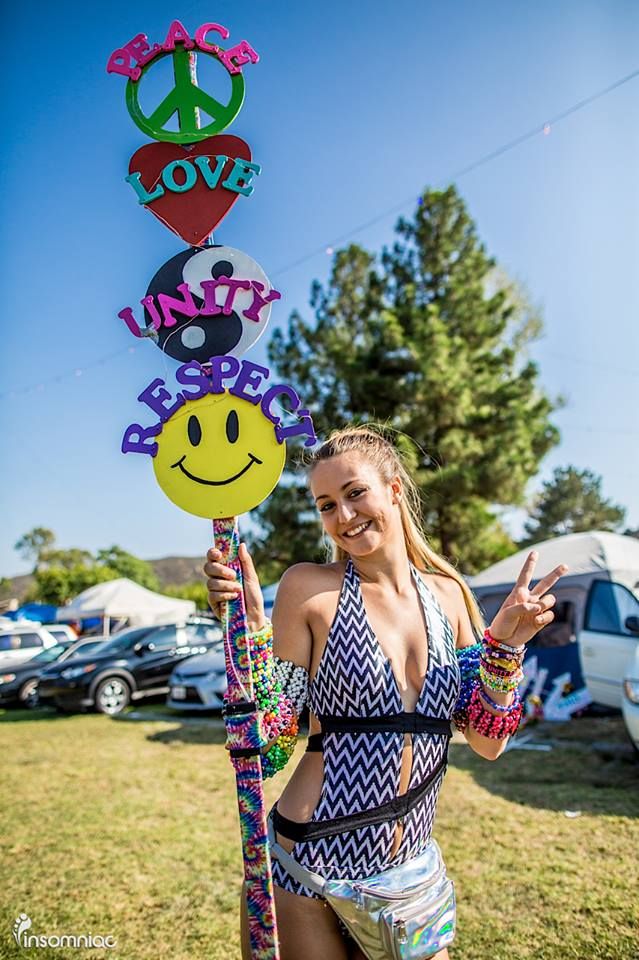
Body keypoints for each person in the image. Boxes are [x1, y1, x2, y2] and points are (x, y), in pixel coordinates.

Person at [204, 426, 568, 960]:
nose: (344, 517)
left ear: (394, 488)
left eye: (355, 493)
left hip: (410, 872)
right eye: (326, 505)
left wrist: (505, 648)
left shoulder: (449, 596)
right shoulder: (310, 589)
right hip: (309, 864)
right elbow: (272, 745)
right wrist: (250, 631)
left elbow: (488, 743)